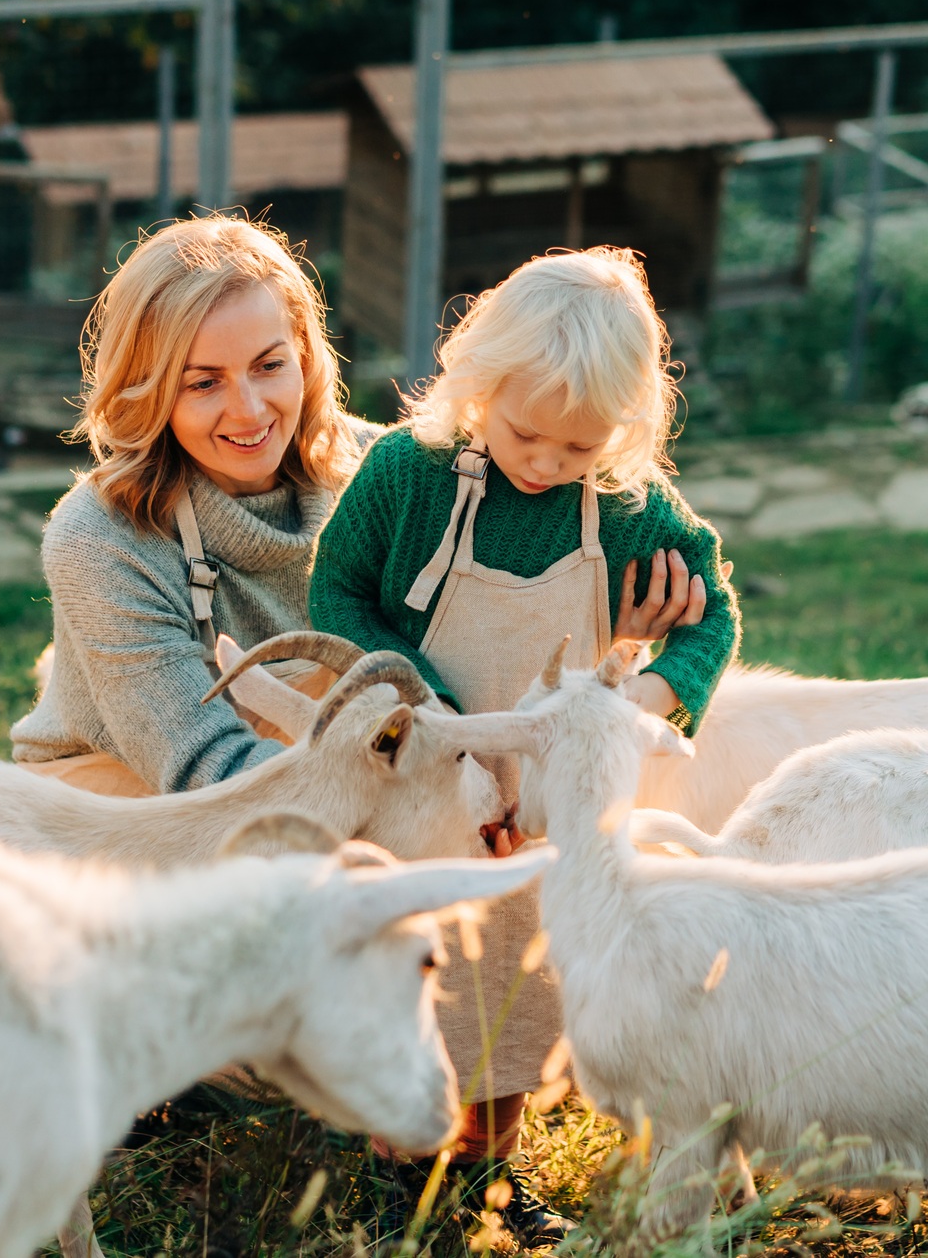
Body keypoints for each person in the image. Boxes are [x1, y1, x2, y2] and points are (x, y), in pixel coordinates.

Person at [309, 247, 741, 1245]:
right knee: (416, 968)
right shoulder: (404, 477)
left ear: (622, 435)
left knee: (518, 977)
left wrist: (645, 692)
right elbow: (337, 596)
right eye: (523, 433)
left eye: (577, 449)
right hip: (420, 765)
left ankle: (484, 1172)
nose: (544, 463)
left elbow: (709, 615)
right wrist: (431, 709)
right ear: (476, 384)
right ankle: (398, 1165)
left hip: (547, 802)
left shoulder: (628, 512)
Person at [11, 215, 368, 795]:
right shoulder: (100, 539)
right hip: (124, 807)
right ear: (146, 389)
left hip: (333, 782)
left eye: (269, 365)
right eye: (204, 383)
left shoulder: (377, 474)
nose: (250, 411)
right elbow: (207, 770)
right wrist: (402, 803)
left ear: (304, 354)